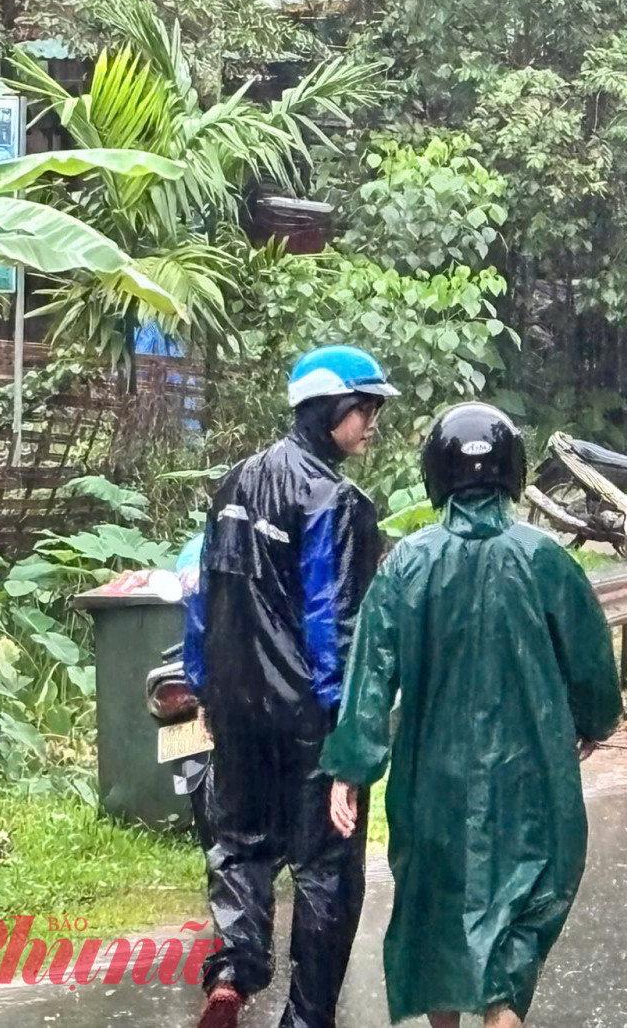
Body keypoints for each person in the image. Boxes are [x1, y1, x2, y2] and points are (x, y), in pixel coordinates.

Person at [324, 402, 623, 1028]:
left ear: (435, 471)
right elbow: (592, 661)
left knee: (436, 913)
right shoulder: (546, 560)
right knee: (519, 915)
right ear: (512, 470)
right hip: (531, 773)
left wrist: (352, 767)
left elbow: (371, 674)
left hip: (432, 775)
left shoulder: (406, 564)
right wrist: (591, 722)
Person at [183, 345, 398, 1028]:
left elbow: (200, 592)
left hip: (236, 708)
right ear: (332, 408)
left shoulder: (234, 483)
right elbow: (333, 619)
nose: (371, 424)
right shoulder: (337, 500)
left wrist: (202, 683)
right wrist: (349, 726)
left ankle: (232, 973)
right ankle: (306, 1018)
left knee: (240, 844)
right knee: (325, 868)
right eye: (366, 410)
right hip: (309, 716)